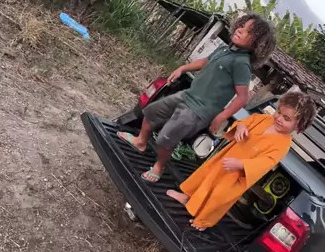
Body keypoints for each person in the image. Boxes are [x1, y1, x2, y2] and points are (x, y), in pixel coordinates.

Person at [118, 14, 276, 182]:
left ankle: (159, 167)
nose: (240, 30)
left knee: (167, 138)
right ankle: (141, 141)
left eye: (248, 31)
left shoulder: (241, 63)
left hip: (199, 110)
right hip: (188, 95)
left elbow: (242, 97)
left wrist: (221, 116)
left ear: (256, 43)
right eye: (242, 26)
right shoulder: (224, 49)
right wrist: (182, 68)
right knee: (151, 112)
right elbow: (204, 62)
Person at [167, 91, 318, 230]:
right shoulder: (263, 119)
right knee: (204, 178)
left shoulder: (283, 145)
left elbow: (266, 162)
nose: (278, 118)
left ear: (298, 126)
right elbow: (244, 122)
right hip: (226, 159)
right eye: (279, 112)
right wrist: (240, 128)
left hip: (238, 174)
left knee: (219, 197)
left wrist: (241, 165)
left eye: (286, 118)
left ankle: (203, 221)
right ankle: (187, 196)